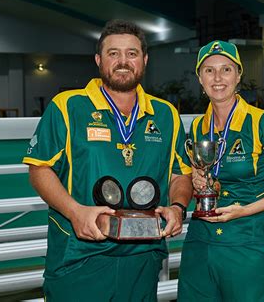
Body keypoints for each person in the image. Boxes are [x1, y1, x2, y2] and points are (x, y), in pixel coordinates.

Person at [23, 19, 192, 302]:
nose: (123, 61)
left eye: (132, 53)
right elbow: (39, 169)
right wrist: (75, 211)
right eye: (114, 53)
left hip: (143, 258)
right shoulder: (68, 106)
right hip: (80, 256)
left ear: (145, 60)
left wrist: (178, 207)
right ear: (99, 60)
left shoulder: (166, 115)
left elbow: (180, 174)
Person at [177, 40, 264, 302]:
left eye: (226, 69)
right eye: (209, 70)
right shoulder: (198, 127)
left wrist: (245, 210)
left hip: (247, 243)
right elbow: (198, 178)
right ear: (200, 78)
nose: (217, 78)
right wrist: (197, 179)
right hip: (200, 242)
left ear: (238, 75)